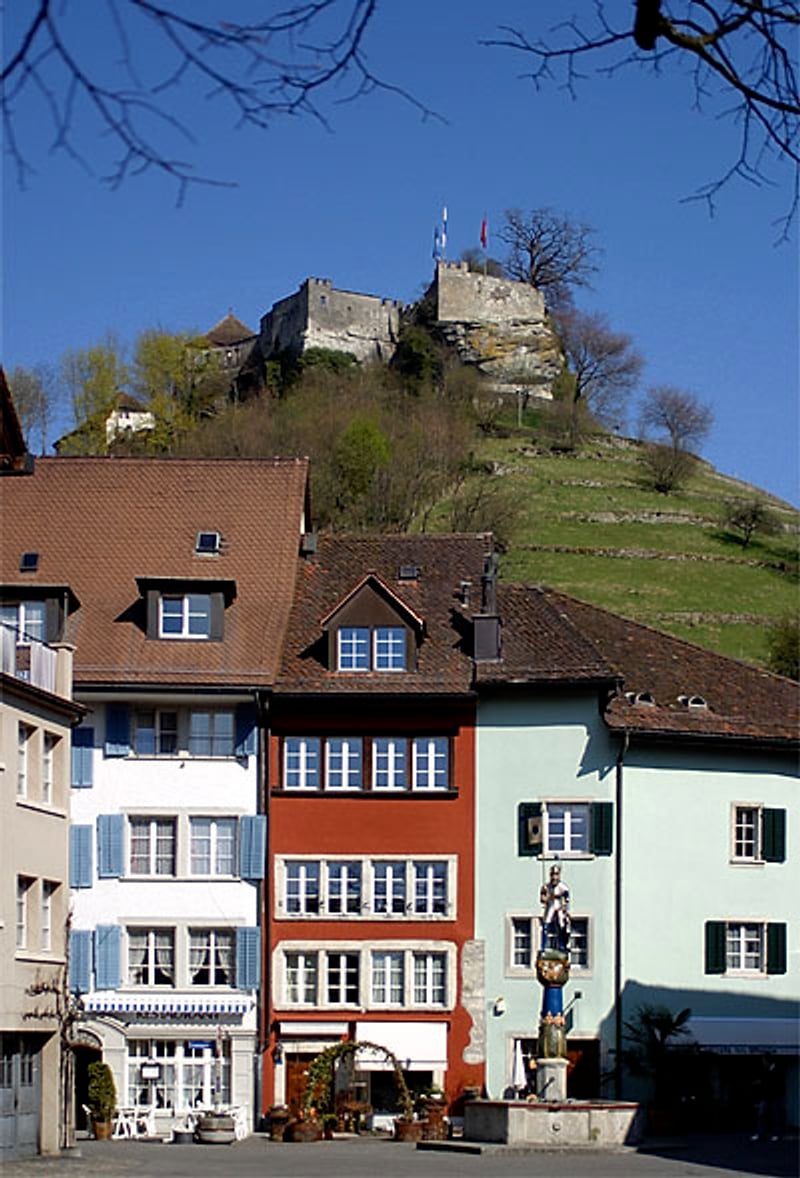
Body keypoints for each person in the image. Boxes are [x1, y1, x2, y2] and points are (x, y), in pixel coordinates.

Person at [539, 865, 570, 952]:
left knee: (561, 927)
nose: (554, 877)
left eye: (556, 874)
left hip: (559, 906)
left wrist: (565, 908)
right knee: (546, 926)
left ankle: (561, 946)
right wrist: (546, 897)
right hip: (550, 905)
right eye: (553, 874)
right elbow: (542, 899)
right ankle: (543, 946)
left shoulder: (563, 887)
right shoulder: (546, 887)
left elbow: (566, 899)